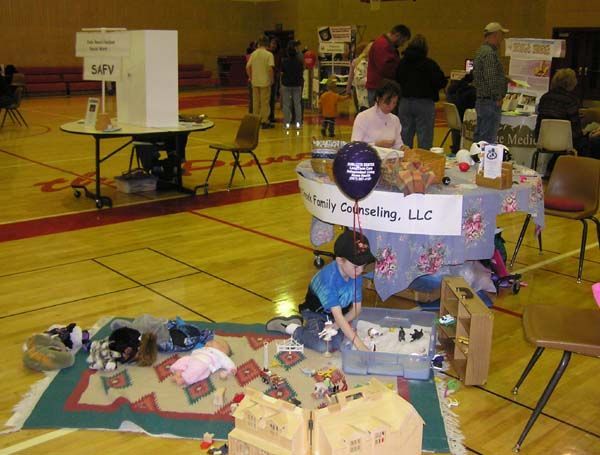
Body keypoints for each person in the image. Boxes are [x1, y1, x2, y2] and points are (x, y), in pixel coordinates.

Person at [265, 230, 374, 353]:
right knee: (323, 346)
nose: (360, 271)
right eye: (356, 266)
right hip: (314, 313)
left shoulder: (355, 274)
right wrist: (360, 345)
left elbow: (356, 310)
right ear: (339, 261)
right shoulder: (329, 279)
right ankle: (290, 327)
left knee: (337, 343)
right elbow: (340, 317)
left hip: (335, 315)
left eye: (363, 266)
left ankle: (308, 327)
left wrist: (337, 326)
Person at [535, 68, 600, 171]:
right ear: (572, 83)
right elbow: (575, 130)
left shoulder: (545, 97)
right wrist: (586, 133)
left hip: (543, 139)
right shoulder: (572, 100)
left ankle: (552, 168)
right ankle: (589, 173)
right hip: (564, 141)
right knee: (587, 143)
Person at [395, 34, 447, 149]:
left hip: (405, 102)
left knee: (404, 136)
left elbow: (396, 79)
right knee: (425, 137)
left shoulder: (402, 63)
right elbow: (441, 82)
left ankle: (404, 161)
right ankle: (424, 162)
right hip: (424, 103)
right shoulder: (429, 64)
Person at [472, 22, 510, 143]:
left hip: (482, 100)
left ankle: (477, 160)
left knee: (480, 137)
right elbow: (491, 78)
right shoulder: (489, 54)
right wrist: (498, 97)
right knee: (487, 139)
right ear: (495, 35)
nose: (502, 39)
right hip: (490, 102)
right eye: (501, 35)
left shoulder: (480, 51)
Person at [351, 79, 406, 150]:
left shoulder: (395, 120)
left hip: (390, 159)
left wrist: (403, 148)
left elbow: (398, 144)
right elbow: (354, 147)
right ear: (378, 98)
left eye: (394, 103)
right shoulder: (363, 117)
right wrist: (376, 145)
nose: (391, 107)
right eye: (387, 102)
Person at [366, 24, 411, 107]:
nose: (402, 44)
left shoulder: (385, 45)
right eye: (403, 41)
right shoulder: (383, 45)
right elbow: (385, 68)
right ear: (397, 35)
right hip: (379, 88)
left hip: (380, 87)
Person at [170, 338, 236, 386]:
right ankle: (178, 373)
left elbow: (228, 362)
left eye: (218, 342)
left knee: (196, 369)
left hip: (204, 363)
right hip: (192, 358)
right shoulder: (204, 348)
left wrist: (232, 368)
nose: (213, 341)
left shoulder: (220, 355)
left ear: (222, 350)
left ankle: (184, 379)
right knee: (183, 360)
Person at [246, 35, 275, 129]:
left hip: (255, 81)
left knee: (256, 103)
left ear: (258, 43)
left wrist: (250, 77)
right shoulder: (269, 54)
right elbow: (270, 68)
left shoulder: (253, 54)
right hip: (265, 81)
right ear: (267, 44)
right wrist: (271, 79)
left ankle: (255, 121)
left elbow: (247, 67)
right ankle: (265, 121)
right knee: (265, 102)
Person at [446, 72, 476, 153]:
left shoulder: (451, 89)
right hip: (465, 122)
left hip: (454, 122)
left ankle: (455, 148)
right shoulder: (471, 92)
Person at [280, 40, 304, 129]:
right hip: (297, 84)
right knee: (297, 104)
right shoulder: (299, 62)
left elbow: (282, 73)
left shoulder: (284, 62)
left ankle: (286, 123)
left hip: (286, 84)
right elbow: (302, 72)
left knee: (286, 104)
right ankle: (298, 124)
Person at [347, 42, 372, 112]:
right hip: (360, 91)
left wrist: (348, 89)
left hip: (358, 90)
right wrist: (348, 89)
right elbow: (352, 76)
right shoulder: (358, 62)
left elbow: (350, 76)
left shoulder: (357, 61)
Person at [268, 37, 282, 125]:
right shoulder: (268, 53)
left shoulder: (279, 54)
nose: (273, 45)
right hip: (267, 77)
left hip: (275, 78)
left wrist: (278, 73)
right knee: (267, 98)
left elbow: (279, 65)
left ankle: (271, 116)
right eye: (272, 43)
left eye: (274, 44)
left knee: (272, 98)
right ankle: (266, 116)